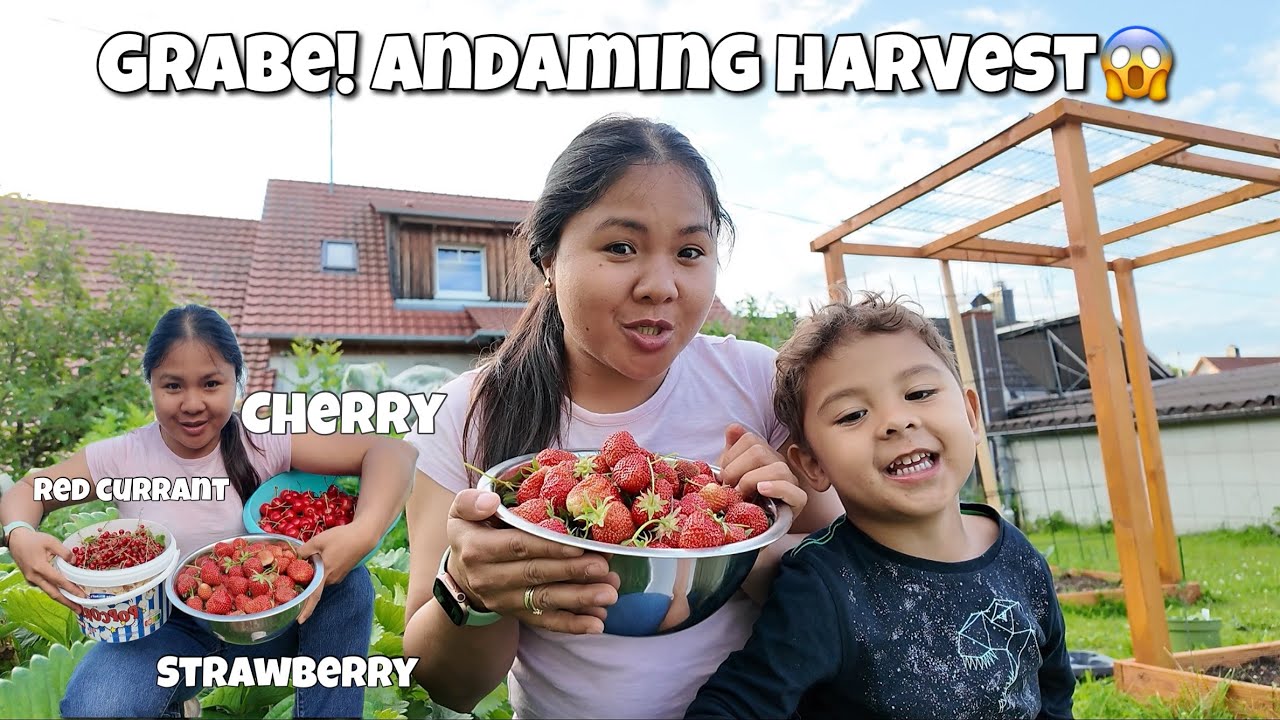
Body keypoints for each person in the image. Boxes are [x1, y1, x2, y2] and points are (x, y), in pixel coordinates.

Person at [400, 114, 846, 719]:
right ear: (549, 257)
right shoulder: (468, 414)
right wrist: (473, 591)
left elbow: (848, 589)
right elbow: (448, 686)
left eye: (690, 251)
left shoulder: (756, 382)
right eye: (620, 247)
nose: (661, 285)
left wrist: (764, 528)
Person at [0, 304, 417, 719]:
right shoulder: (122, 457)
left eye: (212, 383)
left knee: (350, 586)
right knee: (95, 708)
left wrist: (365, 531)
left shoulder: (264, 439)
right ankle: (171, 705)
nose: (193, 403)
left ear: (237, 382)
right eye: (173, 386)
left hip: (274, 616)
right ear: (150, 385)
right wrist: (20, 532)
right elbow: (28, 490)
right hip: (165, 626)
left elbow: (390, 452)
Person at [684, 290, 1076, 719]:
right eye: (852, 414)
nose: (896, 421)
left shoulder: (1021, 558)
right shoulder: (822, 587)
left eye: (921, 392)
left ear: (970, 414)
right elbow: (734, 704)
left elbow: (1053, 689)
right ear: (812, 464)